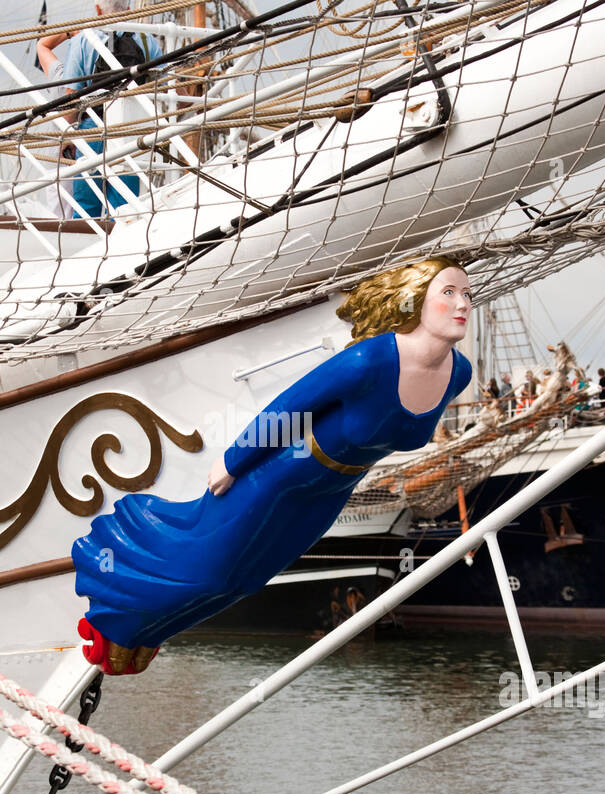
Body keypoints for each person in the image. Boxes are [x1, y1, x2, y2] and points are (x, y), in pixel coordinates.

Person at [72, 257, 474, 674]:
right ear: (413, 301)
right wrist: (234, 461)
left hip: (335, 488)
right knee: (210, 571)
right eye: (448, 292)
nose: (463, 302)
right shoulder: (371, 360)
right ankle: (111, 612)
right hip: (283, 472)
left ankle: (148, 634)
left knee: (248, 581)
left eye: (466, 293)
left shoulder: (457, 374)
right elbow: (291, 408)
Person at [36, 0, 162, 219]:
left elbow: (72, 94)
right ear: (129, 10)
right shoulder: (146, 39)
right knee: (125, 205)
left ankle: (88, 246)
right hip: (131, 128)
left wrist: (67, 137)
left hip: (92, 127)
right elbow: (162, 84)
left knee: (86, 206)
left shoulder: (85, 40)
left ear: (97, 10)